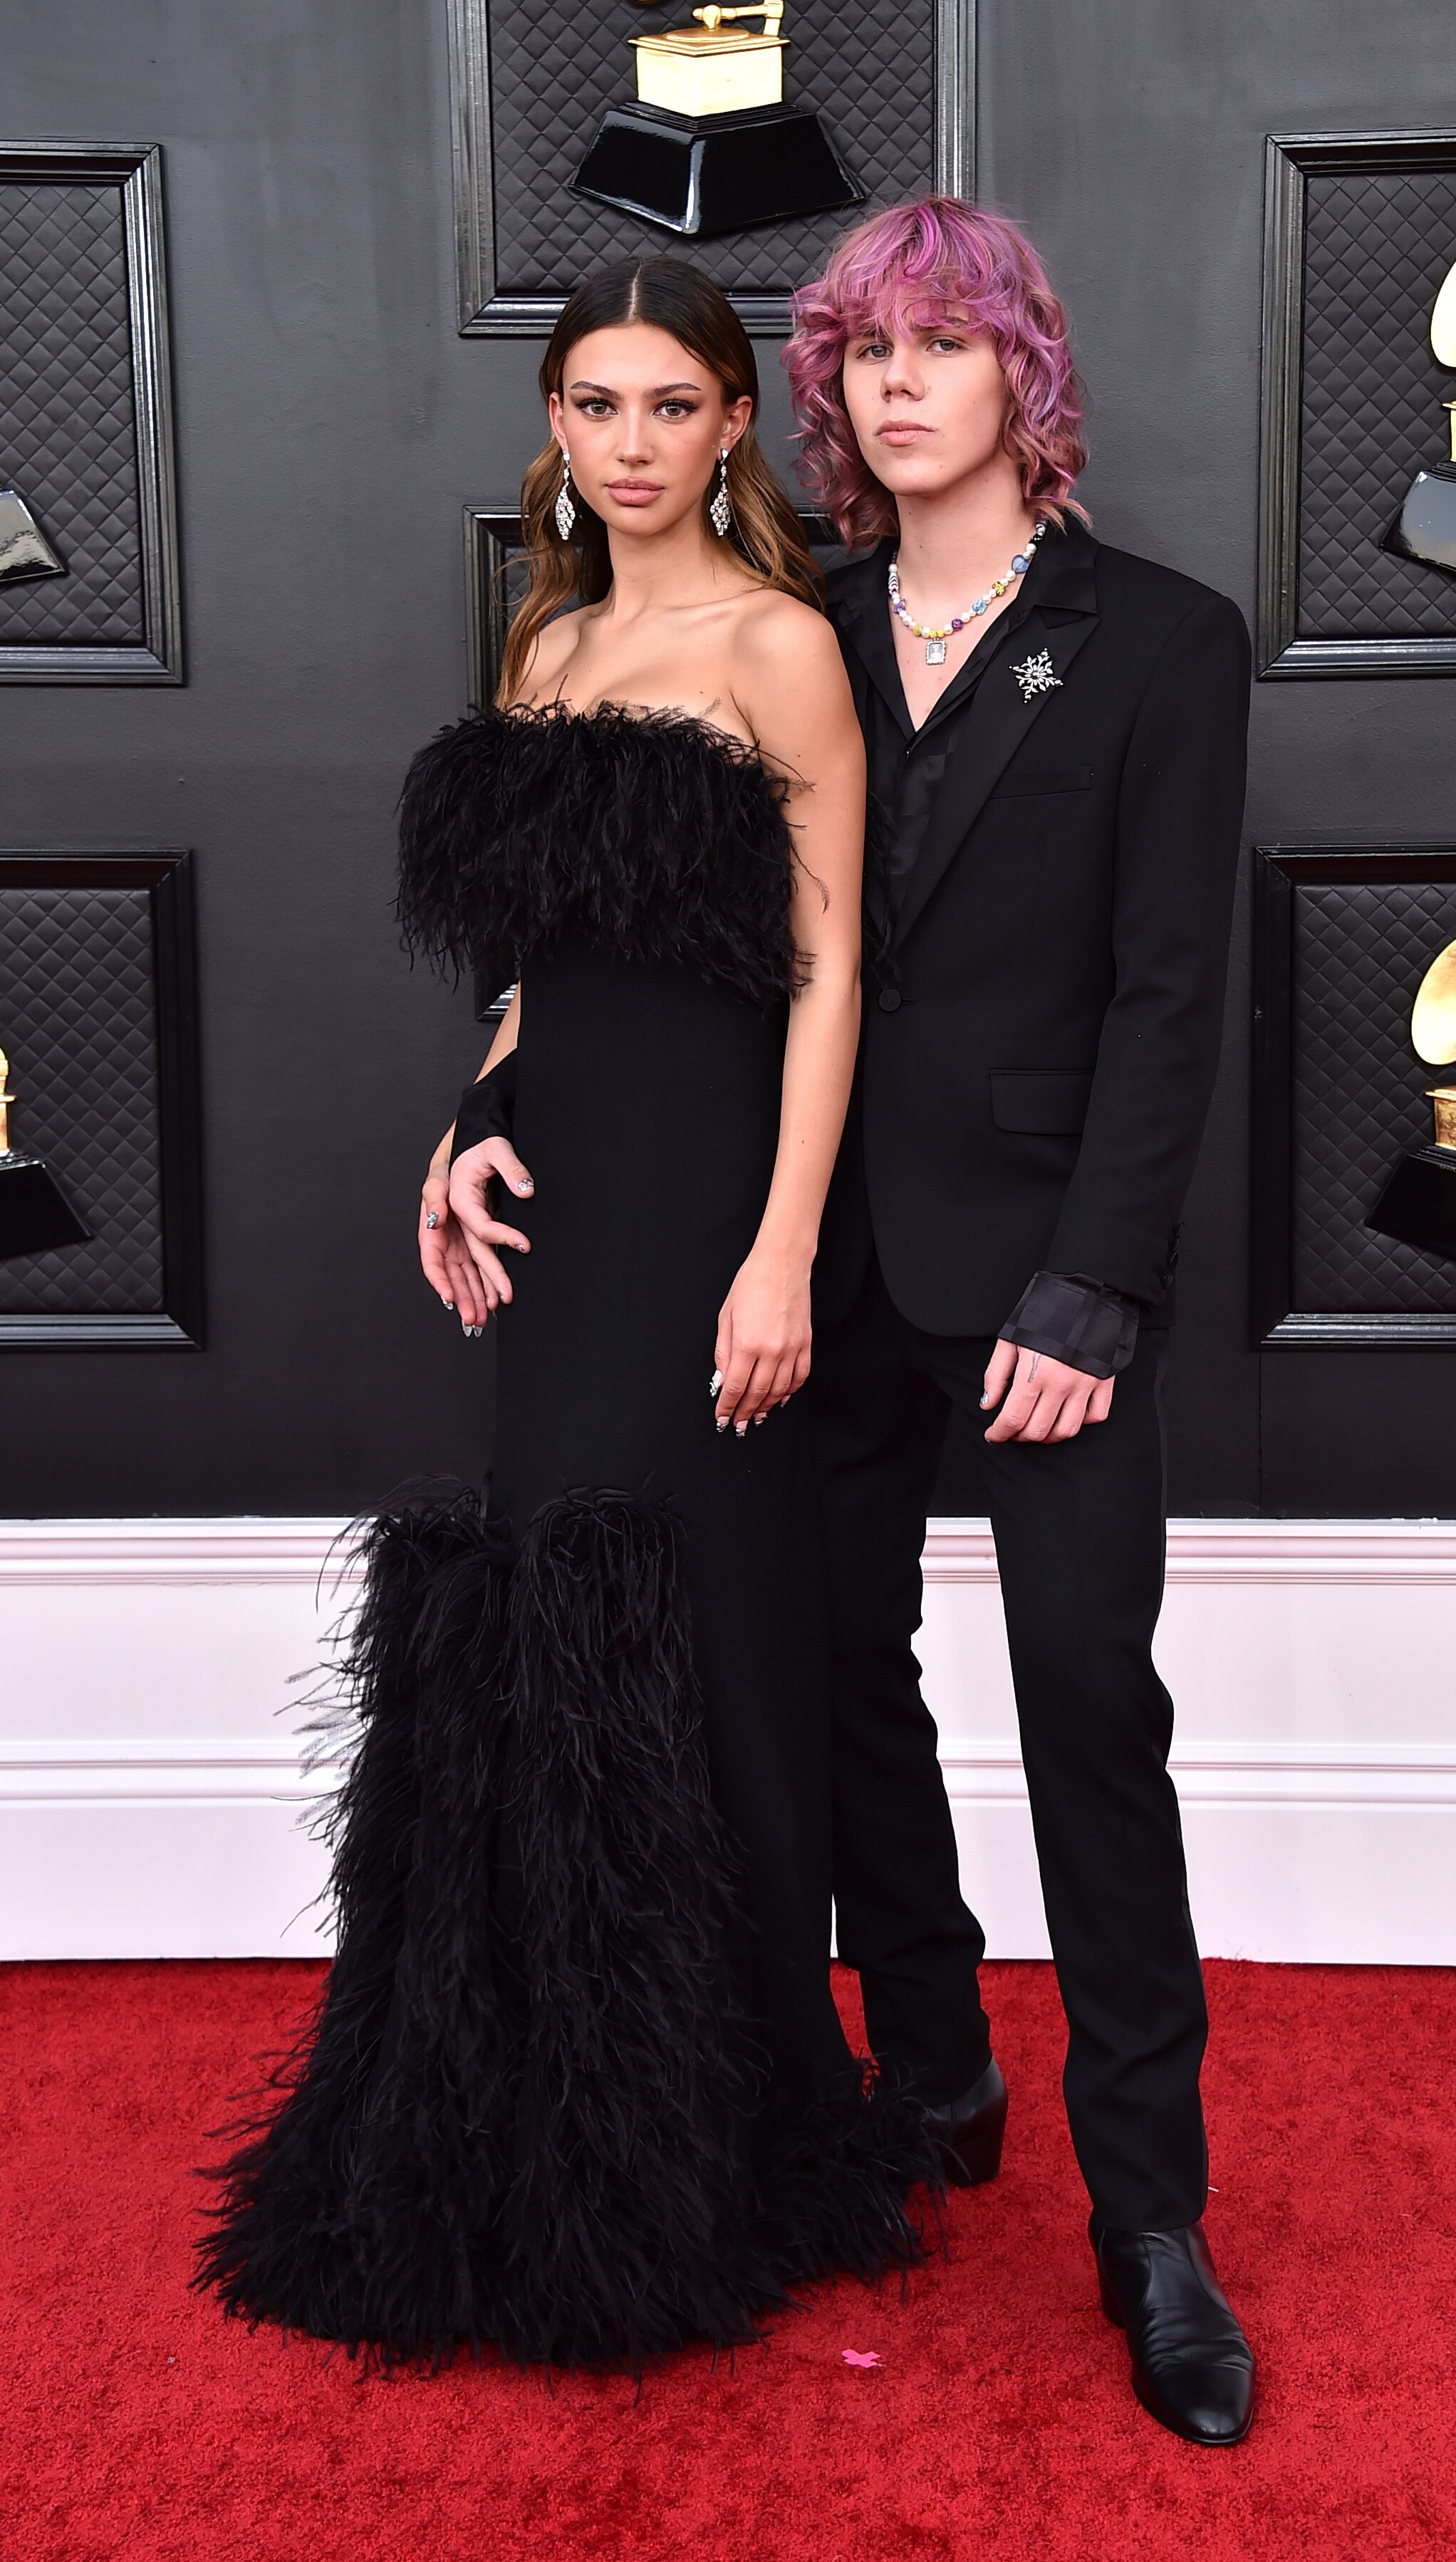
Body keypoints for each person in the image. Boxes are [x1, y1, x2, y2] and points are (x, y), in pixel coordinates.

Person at [198, 256, 935, 2370]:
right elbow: (535, 957)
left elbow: (826, 974)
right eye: (595, 405)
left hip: (716, 1191)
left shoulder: (786, 645)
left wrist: (785, 1245)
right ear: (560, 427)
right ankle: (555, 2125)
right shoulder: (547, 640)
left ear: (733, 429)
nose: (630, 442)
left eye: (672, 406)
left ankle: (732, 2127)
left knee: (712, 1637)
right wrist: (469, 1122)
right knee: (552, 1622)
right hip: (570, 1193)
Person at [784, 200, 1257, 2446]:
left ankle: (1150, 2218)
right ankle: (941, 2057)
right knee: (834, 1664)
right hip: (822, 1249)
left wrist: (1095, 1280)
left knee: (1088, 1704)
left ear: (1021, 377)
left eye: (942, 346)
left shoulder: (1163, 642)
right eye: (865, 349)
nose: (898, 384)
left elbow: (1172, 997)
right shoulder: (801, 632)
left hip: (1051, 1266)